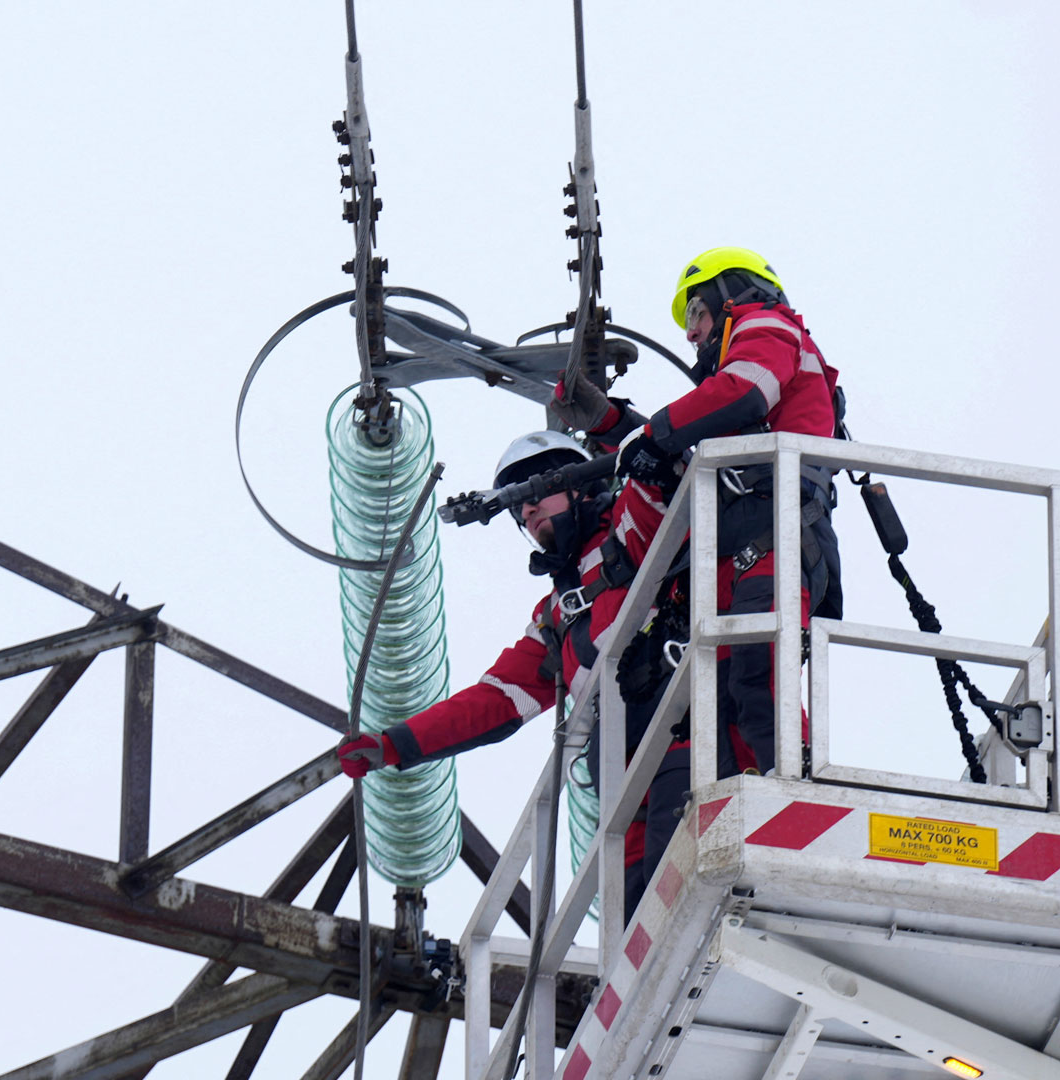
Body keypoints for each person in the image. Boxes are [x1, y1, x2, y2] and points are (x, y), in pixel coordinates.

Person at [590, 247, 846, 881]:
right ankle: (755, 811)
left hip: (776, 530)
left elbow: (744, 391)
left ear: (733, 295)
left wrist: (652, 436)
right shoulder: (736, 372)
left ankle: (798, 799)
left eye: (697, 313)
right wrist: (625, 433)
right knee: (730, 693)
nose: (692, 332)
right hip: (747, 544)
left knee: (757, 671)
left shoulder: (766, 325)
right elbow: (705, 426)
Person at [336, 430, 674, 909]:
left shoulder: (633, 530)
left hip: (690, 738)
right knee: (636, 924)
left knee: (679, 882)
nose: (527, 510)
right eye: (518, 506)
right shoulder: (559, 615)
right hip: (629, 778)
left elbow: (665, 460)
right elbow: (495, 702)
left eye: (536, 491)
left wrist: (609, 423)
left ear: (581, 484)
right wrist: (392, 745)